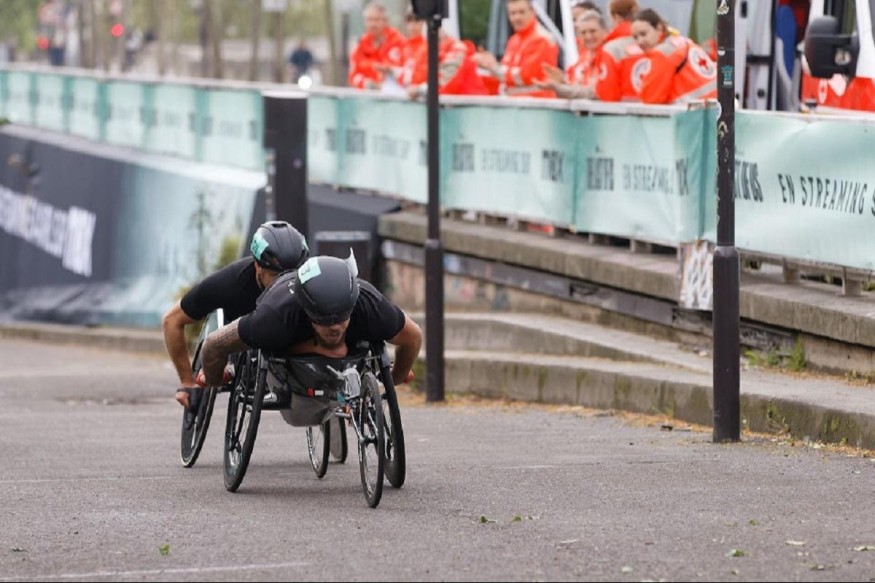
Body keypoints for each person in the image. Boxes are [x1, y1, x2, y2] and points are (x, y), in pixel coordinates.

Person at [198, 255, 422, 393]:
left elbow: (413, 336)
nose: (334, 327)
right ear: (305, 311)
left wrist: (394, 378)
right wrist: (215, 379)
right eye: (323, 320)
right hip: (286, 334)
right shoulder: (275, 317)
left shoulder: (370, 306)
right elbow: (214, 344)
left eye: (341, 318)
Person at [162, 221, 309, 409]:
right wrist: (186, 382)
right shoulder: (229, 284)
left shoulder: (312, 279)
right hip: (237, 336)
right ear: (258, 266)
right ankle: (231, 367)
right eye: (276, 275)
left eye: (292, 275)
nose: (284, 283)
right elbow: (172, 320)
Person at [472, 0, 559, 98]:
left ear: (533, 12)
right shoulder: (514, 40)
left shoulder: (541, 39)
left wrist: (493, 67)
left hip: (537, 102)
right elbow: (508, 72)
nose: (517, 17)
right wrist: (487, 65)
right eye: (513, 13)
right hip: (517, 101)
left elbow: (524, 76)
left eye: (521, 12)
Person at [631, 8, 717, 104]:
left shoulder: (662, 53)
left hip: (697, 110)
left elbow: (651, 97)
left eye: (643, 34)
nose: (639, 41)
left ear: (659, 28)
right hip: (717, 104)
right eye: (635, 37)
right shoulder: (683, 41)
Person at [403, 25, 490, 98]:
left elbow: (445, 81)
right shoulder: (440, 55)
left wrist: (419, 90)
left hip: (473, 107)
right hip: (462, 106)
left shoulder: (456, 52)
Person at [539, 9, 608, 99]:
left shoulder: (609, 56)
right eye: (583, 33)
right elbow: (578, 87)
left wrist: (559, 87)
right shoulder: (583, 58)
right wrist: (562, 80)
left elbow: (595, 92)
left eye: (593, 31)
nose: (588, 36)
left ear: (605, 31)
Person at [594, 0, 645, 102]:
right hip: (653, 107)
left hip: (622, 109)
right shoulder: (650, 42)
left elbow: (608, 93)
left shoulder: (611, 48)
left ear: (616, 17)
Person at [348, 1, 406, 90]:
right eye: (369, 20)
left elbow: (409, 72)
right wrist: (369, 84)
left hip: (396, 94)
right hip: (368, 95)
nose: (373, 24)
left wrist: (391, 71)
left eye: (377, 20)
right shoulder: (360, 47)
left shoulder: (400, 43)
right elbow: (353, 77)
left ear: (385, 21)